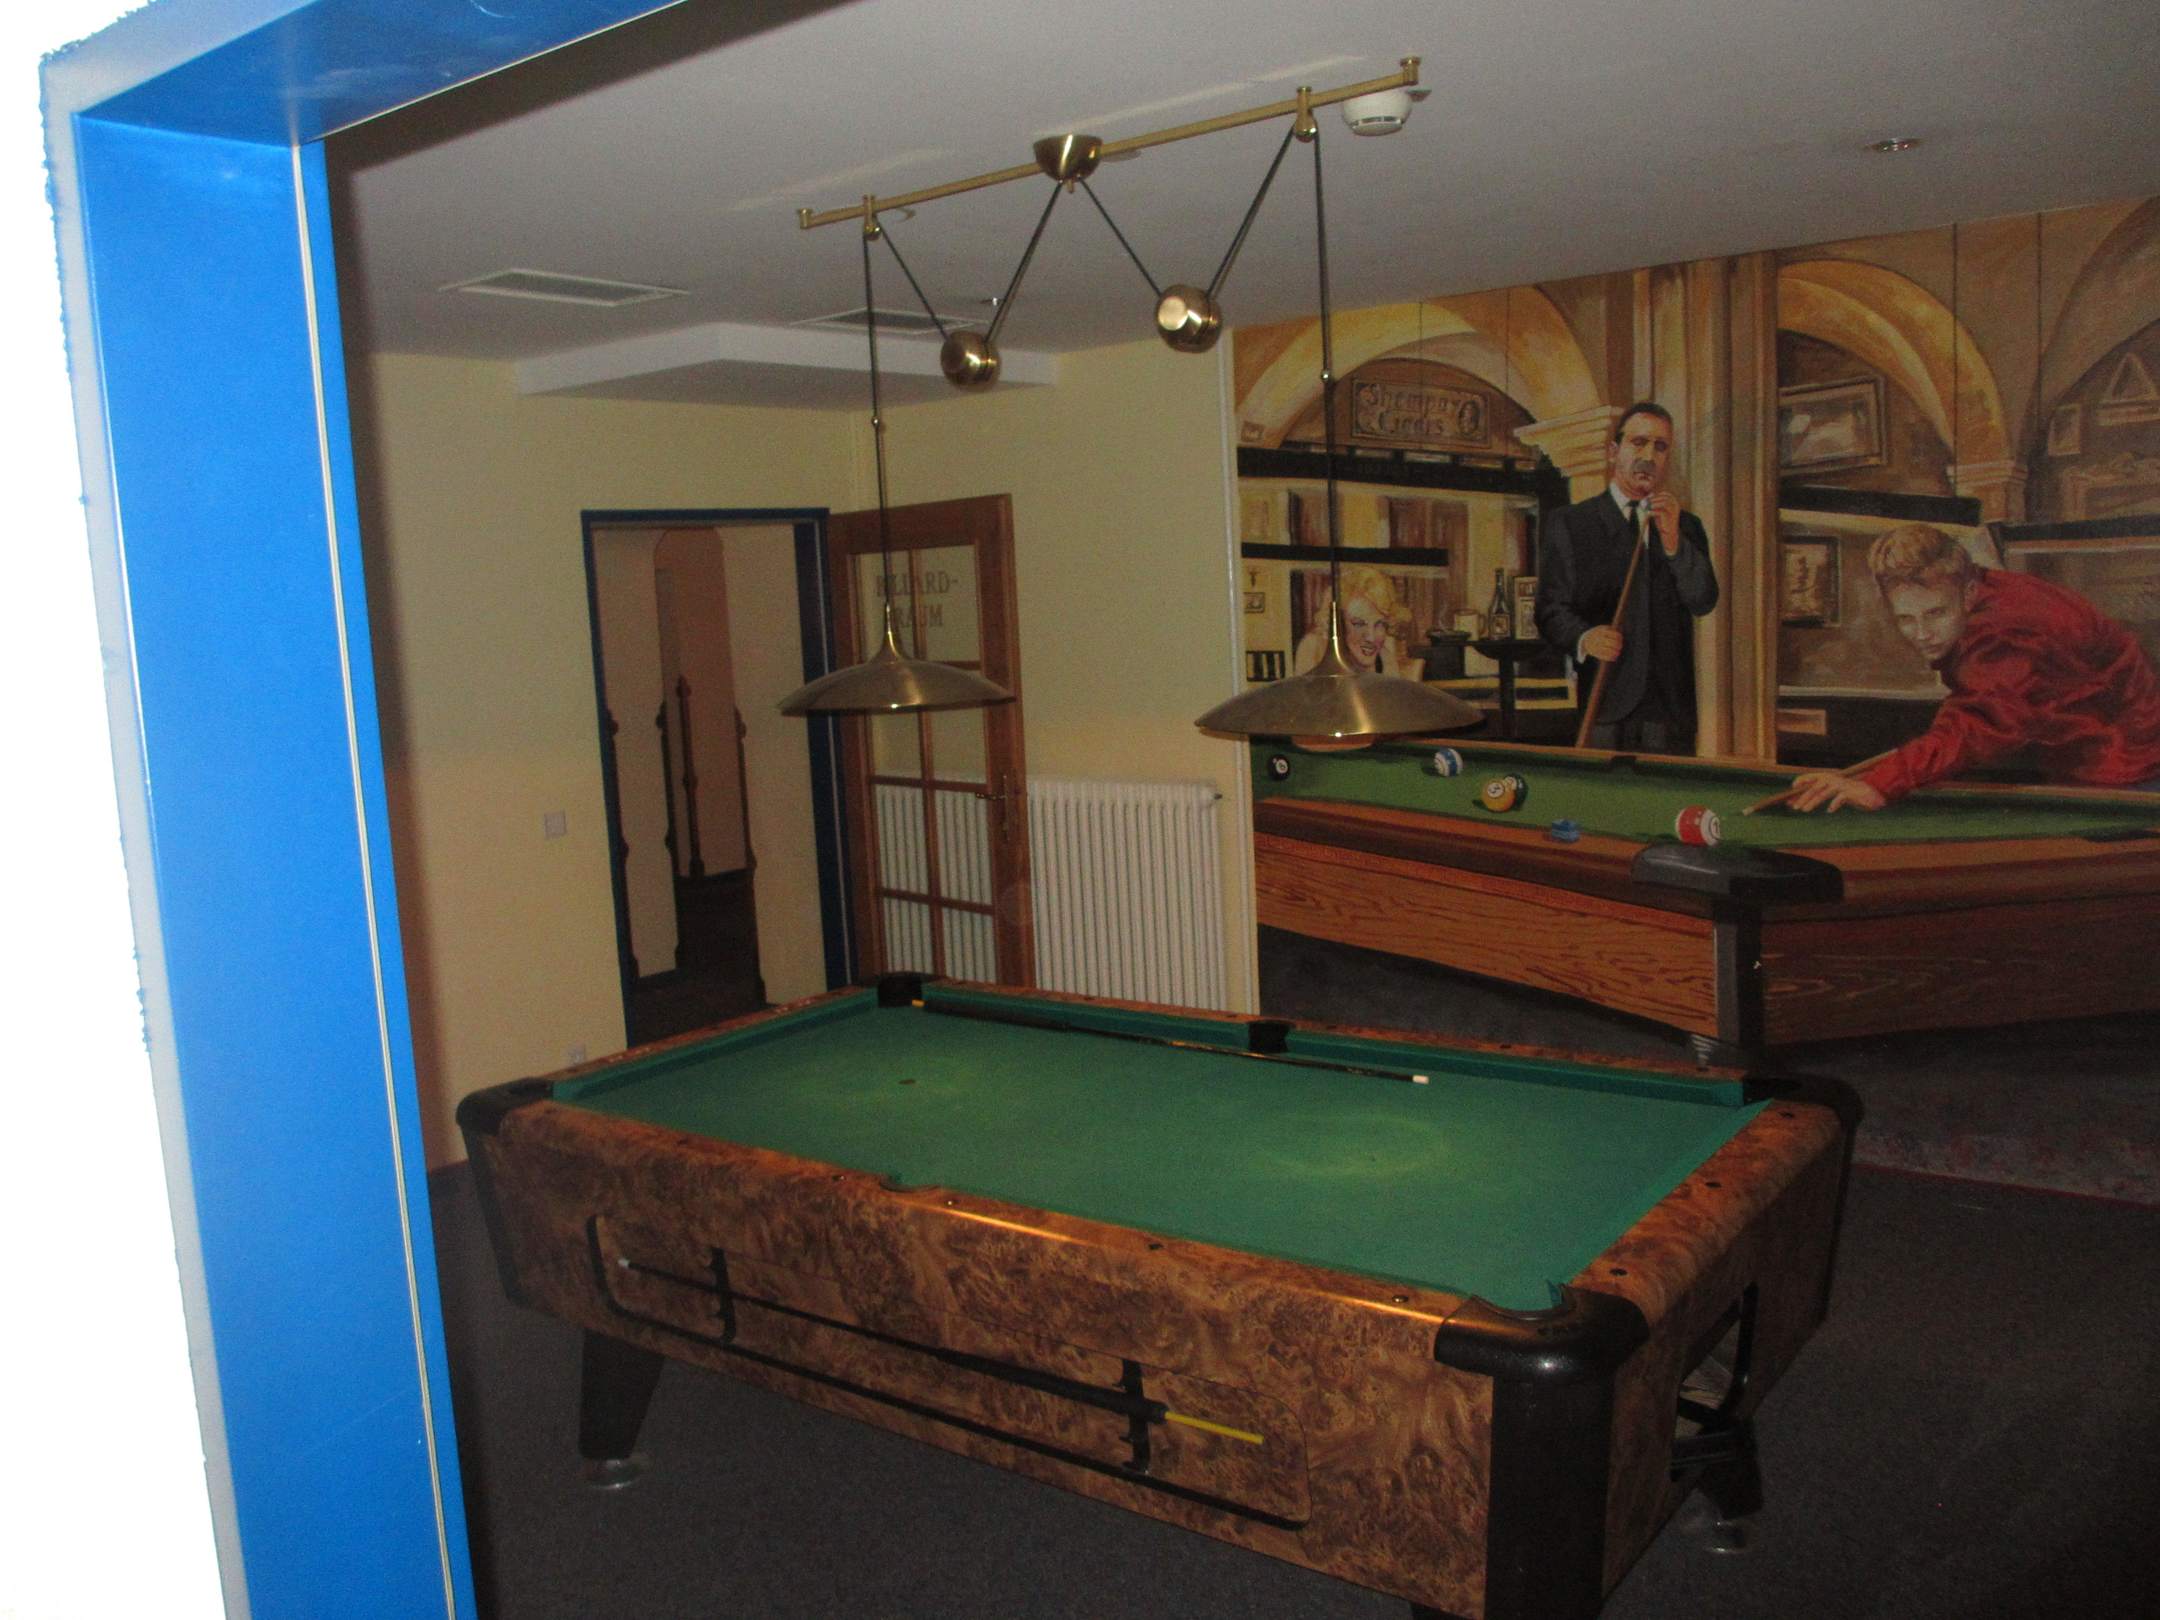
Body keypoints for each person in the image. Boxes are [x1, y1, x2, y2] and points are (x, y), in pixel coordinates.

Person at [1789, 524, 2160, 810]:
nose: (1922, 633)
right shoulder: (1984, 589)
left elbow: (1980, 722)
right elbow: (1980, 702)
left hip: (2133, 769)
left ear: (1967, 594)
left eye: (1935, 613)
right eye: (1906, 618)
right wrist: (1887, 772)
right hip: (2092, 756)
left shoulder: (2004, 629)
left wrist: (1878, 784)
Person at [1534, 401, 1719, 752]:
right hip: (1605, 705)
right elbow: (1550, 611)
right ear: (1613, 451)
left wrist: (1673, 542)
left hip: (1670, 712)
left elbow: (1703, 599)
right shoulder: (1572, 523)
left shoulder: (1686, 526)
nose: (1649, 456)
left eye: (1660, 447)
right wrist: (1586, 637)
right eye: (1638, 443)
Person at [1291, 563, 1420, 677]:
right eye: (1359, 624)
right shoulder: (1313, 647)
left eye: (1380, 624)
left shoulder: (1386, 660)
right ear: (1338, 623)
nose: (1371, 637)